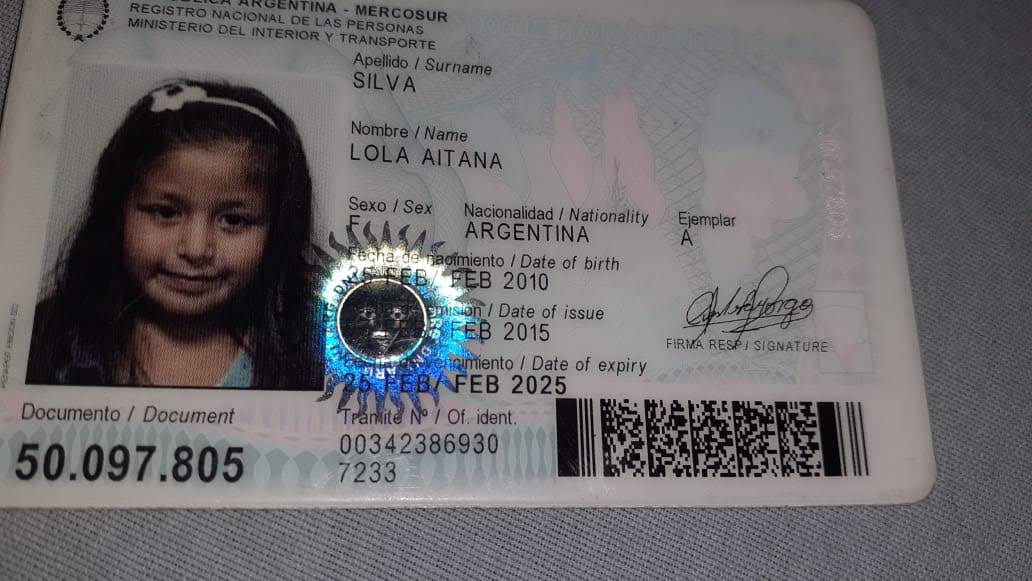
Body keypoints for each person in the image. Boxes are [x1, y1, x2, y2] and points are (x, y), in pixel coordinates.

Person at [26, 79, 322, 389]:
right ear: (117, 213)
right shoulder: (54, 342)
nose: (195, 249)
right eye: (166, 213)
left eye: (234, 220)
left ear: (278, 231)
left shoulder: (299, 358)